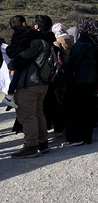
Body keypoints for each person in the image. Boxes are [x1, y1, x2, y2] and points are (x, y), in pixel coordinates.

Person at [8, 15, 55, 158]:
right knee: (38, 114)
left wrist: (12, 63)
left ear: (36, 26)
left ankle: (30, 146)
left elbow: (18, 62)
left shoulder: (36, 42)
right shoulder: (49, 41)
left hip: (29, 83)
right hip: (42, 83)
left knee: (27, 116)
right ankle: (42, 143)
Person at [62, 17, 98, 147]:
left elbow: (74, 61)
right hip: (90, 80)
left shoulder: (83, 41)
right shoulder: (93, 41)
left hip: (79, 81)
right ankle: (86, 136)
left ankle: (76, 137)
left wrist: (65, 75)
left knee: (74, 109)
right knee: (87, 109)